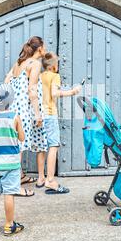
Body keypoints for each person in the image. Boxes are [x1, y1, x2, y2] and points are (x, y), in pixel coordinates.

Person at [4, 36, 48, 196]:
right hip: (26, 110)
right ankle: (14, 186)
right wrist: (37, 114)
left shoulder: (19, 62)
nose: (46, 50)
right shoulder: (34, 64)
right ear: (40, 49)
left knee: (17, 144)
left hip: (15, 108)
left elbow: (7, 80)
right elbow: (32, 90)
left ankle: (20, 176)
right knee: (20, 147)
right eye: (45, 47)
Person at [0, 83, 25, 236]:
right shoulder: (14, 117)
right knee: (9, 194)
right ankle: (9, 225)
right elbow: (21, 137)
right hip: (12, 164)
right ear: (10, 100)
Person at [40, 52, 82, 194]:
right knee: (54, 145)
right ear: (53, 66)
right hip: (50, 114)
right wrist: (73, 91)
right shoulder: (55, 76)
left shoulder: (41, 76)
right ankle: (50, 180)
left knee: (42, 146)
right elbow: (54, 93)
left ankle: (42, 178)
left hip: (41, 114)